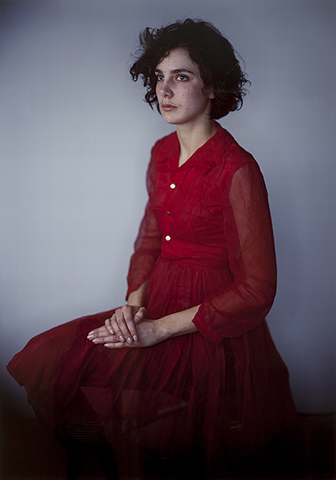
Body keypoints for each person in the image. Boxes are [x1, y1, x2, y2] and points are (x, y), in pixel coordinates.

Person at [7, 19, 297, 479]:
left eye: (182, 76)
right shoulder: (162, 152)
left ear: (213, 85)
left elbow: (258, 289)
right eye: (159, 77)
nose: (165, 89)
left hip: (206, 320)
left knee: (163, 425)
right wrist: (131, 310)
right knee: (49, 354)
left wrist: (158, 330)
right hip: (154, 300)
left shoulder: (237, 169)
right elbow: (149, 239)